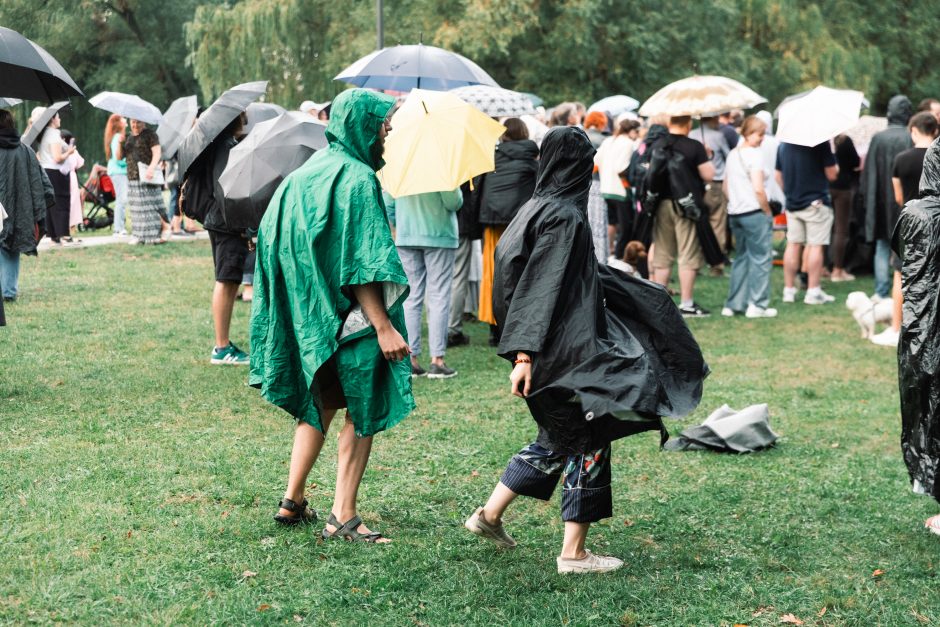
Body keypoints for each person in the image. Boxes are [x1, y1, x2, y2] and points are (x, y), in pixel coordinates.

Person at [463, 126, 707, 573]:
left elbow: (545, 278)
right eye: (587, 161)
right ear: (575, 165)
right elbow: (540, 288)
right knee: (591, 436)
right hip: (561, 354)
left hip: (550, 351)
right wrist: (523, 356)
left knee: (559, 437)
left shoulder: (532, 208)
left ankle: (489, 515)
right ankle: (573, 554)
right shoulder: (562, 217)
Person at [250, 88, 413, 542]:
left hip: (311, 317)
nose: (387, 134)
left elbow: (270, 240)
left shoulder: (304, 175)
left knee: (320, 402)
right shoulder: (359, 179)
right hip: (351, 318)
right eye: (383, 125)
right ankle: (343, 514)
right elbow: (362, 263)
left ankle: (292, 499)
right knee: (363, 404)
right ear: (362, 125)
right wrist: (383, 327)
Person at [892, 138, 940, 537]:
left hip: (927, 331)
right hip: (929, 327)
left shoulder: (917, 214)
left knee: (933, 409)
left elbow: (909, 270)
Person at [181, 114, 248, 365]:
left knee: (229, 279)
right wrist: (240, 223)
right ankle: (221, 347)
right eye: (242, 115)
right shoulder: (225, 147)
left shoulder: (221, 144)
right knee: (226, 279)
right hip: (225, 222)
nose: (245, 118)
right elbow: (226, 188)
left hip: (220, 221)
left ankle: (224, 344)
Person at [872, 111, 939, 348]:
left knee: (901, 275)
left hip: (911, 224)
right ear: (935, 131)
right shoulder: (938, 157)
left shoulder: (901, 159)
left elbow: (899, 196)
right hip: (937, 224)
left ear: (913, 130)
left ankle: (897, 329)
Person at [385, 189, 462, 379]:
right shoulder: (443, 167)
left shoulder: (400, 166)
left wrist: (400, 223)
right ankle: (437, 360)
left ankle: (411, 360)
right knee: (439, 297)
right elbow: (454, 202)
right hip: (440, 234)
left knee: (411, 298)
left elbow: (387, 203)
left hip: (407, 235)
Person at [476, 118, 539, 347]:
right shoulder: (533, 162)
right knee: (520, 272)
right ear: (524, 133)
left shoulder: (491, 159)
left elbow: (479, 193)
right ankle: (517, 322)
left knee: (492, 274)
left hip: (492, 222)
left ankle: (495, 326)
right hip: (520, 225)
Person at [649, 115, 715, 317]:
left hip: (661, 204)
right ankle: (686, 303)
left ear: (670, 124)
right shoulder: (694, 146)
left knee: (663, 253)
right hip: (686, 205)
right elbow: (709, 176)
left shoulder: (657, 144)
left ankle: (659, 304)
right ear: (688, 124)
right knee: (687, 253)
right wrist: (707, 155)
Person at [720, 115, 776, 318]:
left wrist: (736, 200)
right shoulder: (755, 155)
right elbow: (759, 189)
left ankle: (734, 303)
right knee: (761, 258)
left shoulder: (733, 154)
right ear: (749, 133)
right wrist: (767, 210)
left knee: (741, 258)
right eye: (760, 134)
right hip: (754, 211)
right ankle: (758, 304)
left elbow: (726, 187)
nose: (762, 138)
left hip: (735, 212)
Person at [776, 135, 839, 305]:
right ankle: (813, 291)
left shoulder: (784, 144)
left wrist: (789, 193)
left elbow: (777, 175)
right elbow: (832, 174)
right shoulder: (820, 141)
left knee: (793, 244)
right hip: (816, 202)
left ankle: (788, 290)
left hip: (792, 202)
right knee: (816, 246)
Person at [861, 95, 913, 301]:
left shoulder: (878, 138)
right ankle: (903, 289)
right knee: (904, 246)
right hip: (904, 200)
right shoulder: (910, 137)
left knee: (882, 245)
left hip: (880, 201)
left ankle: (881, 291)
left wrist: (867, 199)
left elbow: (868, 174)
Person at [0, 109, 50, 302]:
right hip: (19, 208)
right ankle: (9, 291)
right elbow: (41, 183)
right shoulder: (26, 150)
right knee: (11, 246)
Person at [595, 118, 639, 261]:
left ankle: (609, 252)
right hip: (621, 189)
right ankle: (620, 256)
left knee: (611, 222)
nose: (637, 135)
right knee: (626, 226)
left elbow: (596, 161)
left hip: (606, 187)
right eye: (636, 131)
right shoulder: (629, 144)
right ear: (631, 131)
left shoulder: (608, 141)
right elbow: (621, 167)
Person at [695, 116, 732, 275]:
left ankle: (696, 262)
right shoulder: (718, 136)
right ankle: (716, 264)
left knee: (698, 224)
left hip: (696, 184)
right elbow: (729, 155)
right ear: (710, 119)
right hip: (716, 182)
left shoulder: (691, 134)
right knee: (717, 222)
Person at [446, 178, 481, 348]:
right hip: (460, 225)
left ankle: (439, 326)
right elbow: (458, 200)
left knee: (437, 281)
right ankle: (453, 329)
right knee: (458, 278)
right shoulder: (461, 164)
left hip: (439, 227)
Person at [33, 107, 75, 245]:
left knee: (51, 203)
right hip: (56, 172)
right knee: (61, 202)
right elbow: (57, 158)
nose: (60, 119)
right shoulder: (54, 134)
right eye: (58, 117)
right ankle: (63, 234)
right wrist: (69, 152)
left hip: (46, 171)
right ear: (52, 119)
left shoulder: (44, 133)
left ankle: (53, 235)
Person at [125, 118, 166, 245]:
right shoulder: (128, 137)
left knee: (149, 207)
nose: (135, 124)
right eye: (133, 122)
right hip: (133, 176)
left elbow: (157, 152)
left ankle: (153, 236)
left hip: (147, 176)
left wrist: (152, 168)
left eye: (138, 122)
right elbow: (120, 155)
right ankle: (138, 235)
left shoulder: (150, 135)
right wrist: (121, 139)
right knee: (137, 208)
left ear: (144, 122)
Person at [829, 134, 861, 281]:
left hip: (824, 187)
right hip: (843, 187)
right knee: (841, 230)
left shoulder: (821, 140)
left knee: (824, 228)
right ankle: (837, 269)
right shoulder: (844, 140)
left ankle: (823, 266)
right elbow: (855, 161)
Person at [103, 114, 129, 236]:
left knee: (121, 199)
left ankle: (119, 227)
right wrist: (129, 162)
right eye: (123, 118)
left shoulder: (118, 137)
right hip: (118, 172)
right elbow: (118, 158)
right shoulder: (117, 137)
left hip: (119, 172)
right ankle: (118, 228)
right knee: (122, 199)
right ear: (118, 123)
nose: (126, 119)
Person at [59, 129, 85, 242]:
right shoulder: (73, 151)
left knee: (67, 203)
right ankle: (70, 230)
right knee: (73, 203)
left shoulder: (61, 150)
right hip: (72, 177)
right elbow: (80, 163)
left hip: (64, 177)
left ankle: (66, 231)